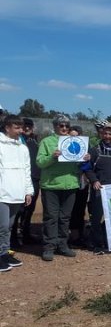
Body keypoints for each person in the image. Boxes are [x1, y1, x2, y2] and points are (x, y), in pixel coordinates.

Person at [36, 115, 88, 261]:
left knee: (65, 218)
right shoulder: (47, 142)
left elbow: (77, 164)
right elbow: (40, 162)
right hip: (51, 185)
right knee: (51, 217)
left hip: (70, 184)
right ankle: (49, 247)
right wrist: (52, 157)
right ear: (55, 127)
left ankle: (63, 245)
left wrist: (84, 158)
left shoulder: (75, 142)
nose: (64, 128)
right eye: (61, 125)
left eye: (66, 126)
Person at [82, 122, 111, 253]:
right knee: (97, 218)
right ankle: (97, 244)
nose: (107, 136)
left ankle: (110, 242)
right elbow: (86, 166)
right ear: (102, 134)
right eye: (105, 133)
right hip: (100, 190)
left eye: (110, 134)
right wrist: (94, 180)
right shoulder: (95, 150)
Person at [0, 115, 34, 272]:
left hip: (17, 192)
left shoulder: (22, 148)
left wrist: (28, 191)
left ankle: (5, 253)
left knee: (9, 226)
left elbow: (27, 171)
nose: (21, 130)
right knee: (2, 226)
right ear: (7, 128)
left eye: (21, 127)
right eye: (17, 127)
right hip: (2, 193)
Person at [11, 117, 40, 246]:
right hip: (19, 180)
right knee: (18, 210)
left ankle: (26, 233)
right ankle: (12, 237)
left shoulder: (34, 141)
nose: (27, 128)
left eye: (29, 126)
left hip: (34, 180)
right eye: (24, 126)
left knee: (30, 209)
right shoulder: (16, 142)